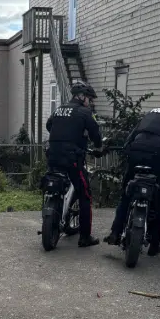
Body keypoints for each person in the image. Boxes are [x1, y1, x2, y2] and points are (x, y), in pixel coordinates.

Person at [104, 93, 160, 256]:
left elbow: (131, 136)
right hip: (157, 156)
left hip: (135, 152)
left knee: (126, 194)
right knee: (159, 200)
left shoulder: (152, 113)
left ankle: (115, 232)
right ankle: (154, 244)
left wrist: (127, 152)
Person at [46, 81, 103, 247]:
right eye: (89, 99)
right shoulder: (85, 112)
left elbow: (49, 125)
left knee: (53, 182)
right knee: (85, 195)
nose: (90, 102)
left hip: (53, 155)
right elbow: (95, 134)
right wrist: (98, 146)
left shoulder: (59, 109)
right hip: (72, 159)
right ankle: (85, 237)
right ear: (81, 96)